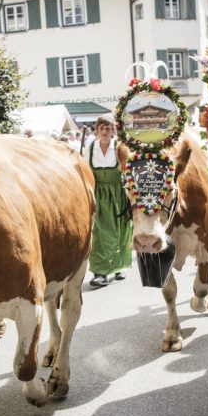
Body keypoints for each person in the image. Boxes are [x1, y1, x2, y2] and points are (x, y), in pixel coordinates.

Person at [81, 115, 132, 287]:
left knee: (120, 231)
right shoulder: (89, 148)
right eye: (101, 128)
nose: (104, 131)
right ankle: (100, 272)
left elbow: (128, 170)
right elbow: (84, 172)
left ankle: (119, 266)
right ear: (97, 130)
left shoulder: (120, 148)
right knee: (99, 234)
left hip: (117, 193)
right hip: (97, 193)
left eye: (108, 128)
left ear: (113, 131)